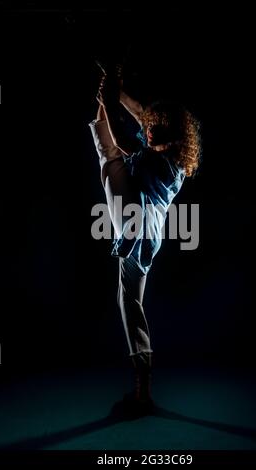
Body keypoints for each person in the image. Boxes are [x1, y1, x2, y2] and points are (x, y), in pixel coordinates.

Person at [89, 67, 201, 413]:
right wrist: (114, 92)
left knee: (110, 155)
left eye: (156, 129)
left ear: (171, 134)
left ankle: (143, 388)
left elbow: (119, 146)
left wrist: (108, 100)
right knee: (129, 303)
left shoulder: (167, 164)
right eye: (150, 128)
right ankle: (143, 388)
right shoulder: (166, 143)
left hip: (135, 221)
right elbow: (142, 116)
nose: (149, 132)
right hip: (145, 237)